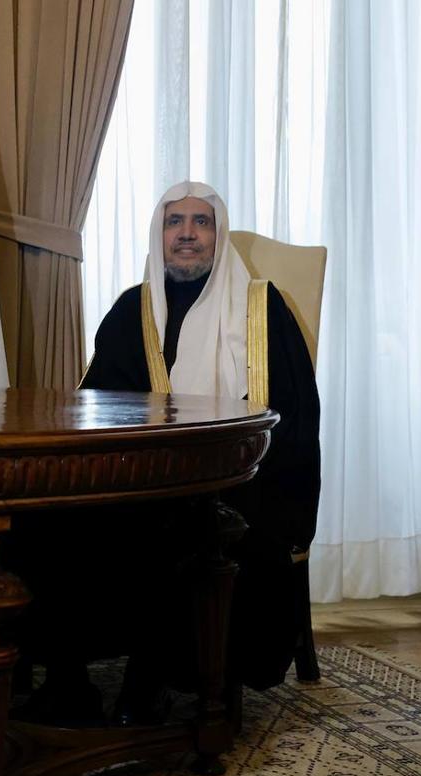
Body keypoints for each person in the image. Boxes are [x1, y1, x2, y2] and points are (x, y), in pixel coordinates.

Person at [76, 180, 322, 719]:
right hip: (142, 482)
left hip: (249, 484)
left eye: (201, 222)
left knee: (186, 529)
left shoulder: (263, 307)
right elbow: (94, 409)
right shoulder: (131, 310)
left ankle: (156, 678)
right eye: (174, 222)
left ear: (219, 234)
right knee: (62, 525)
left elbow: (297, 417)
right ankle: (67, 683)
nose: (187, 234)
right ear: (158, 235)